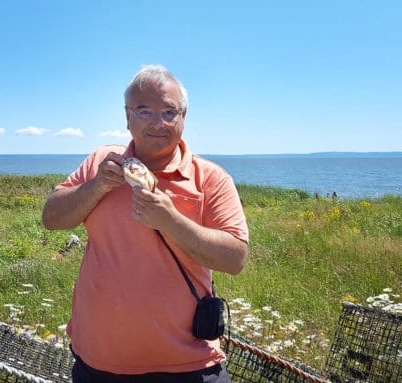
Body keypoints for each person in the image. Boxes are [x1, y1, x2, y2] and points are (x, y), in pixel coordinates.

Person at [42, 65, 249, 382]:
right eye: (144, 112)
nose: (158, 123)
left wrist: (170, 221)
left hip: (189, 365)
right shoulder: (102, 161)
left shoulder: (211, 179)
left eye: (169, 112)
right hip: (98, 362)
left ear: (184, 116)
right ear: (127, 117)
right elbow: (52, 218)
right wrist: (97, 186)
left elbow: (235, 259)